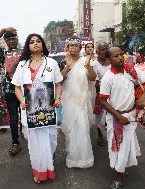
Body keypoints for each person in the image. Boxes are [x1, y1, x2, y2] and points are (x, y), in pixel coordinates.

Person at [99, 47, 145, 189]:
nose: (119, 58)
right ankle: (120, 171)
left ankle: (119, 174)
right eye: (115, 56)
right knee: (118, 147)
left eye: (121, 55)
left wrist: (142, 98)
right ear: (108, 60)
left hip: (131, 116)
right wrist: (118, 116)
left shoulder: (131, 71)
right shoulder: (108, 78)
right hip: (116, 118)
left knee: (124, 147)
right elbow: (102, 101)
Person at [12, 33, 62, 183]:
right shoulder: (22, 65)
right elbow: (16, 88)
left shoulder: (52, 63)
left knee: (50, 141)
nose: (35, 43)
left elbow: (58, 84)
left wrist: (58, 98)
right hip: (30, 110)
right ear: (27, 45)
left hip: (48, 110)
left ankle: (49, 162)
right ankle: (40, 172)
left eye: (38, 41)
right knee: (34, 144)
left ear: (42, 44)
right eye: (32, 41)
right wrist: (21, 101)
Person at [61, 37, 97, 168]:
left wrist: (88, 66)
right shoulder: (64, 61)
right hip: (69, 99)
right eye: (72, 46)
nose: (74, 48)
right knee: (71, 128)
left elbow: (92, 78)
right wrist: (67, 67)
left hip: (82, 100)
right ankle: (72, 157)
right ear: (68, 48)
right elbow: (59, 79)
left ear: (80, 48)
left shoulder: (86, 61)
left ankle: (84, 159)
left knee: (82, 127)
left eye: (76, 45)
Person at [0, 27, 22, 156]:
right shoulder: (3, 53)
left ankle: (25, 133)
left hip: (25, 90)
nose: (12, 40)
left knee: (26, 115)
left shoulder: (25, 52)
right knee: (13, 116)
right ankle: (15, 142)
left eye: (14, 38)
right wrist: (2, 30)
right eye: (9, 39)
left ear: (17, 39)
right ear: (6, 41)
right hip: (9, 89)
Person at [92, 41, 110, 146]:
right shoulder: (94, 63)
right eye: (102, 49)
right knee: (99, 115)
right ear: (97, 51)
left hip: (113, 93)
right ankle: (100, 134)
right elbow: (94, 81)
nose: (105, 51)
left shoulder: (112, 61)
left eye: (106, 48)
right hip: (99, 93)